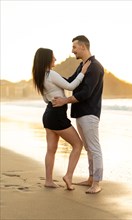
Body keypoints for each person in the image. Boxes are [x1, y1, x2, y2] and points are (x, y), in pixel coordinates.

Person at [32, 47, 90, 190]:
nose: (55, 59)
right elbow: (70, 85)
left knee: (51, 149)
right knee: (78, 145)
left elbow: (47, 99)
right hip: (57, 116)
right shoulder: (50, 74)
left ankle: (49, 181)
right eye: (53, 56)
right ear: (47, 59)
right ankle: (68, 176)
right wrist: (82, 72)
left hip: (48, 115)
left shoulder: (40, 77)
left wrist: (55, 98)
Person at [52, 35, 104, 194]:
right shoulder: (83, 65)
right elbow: (69, 81)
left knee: (94, 148)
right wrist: (49, 74)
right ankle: (90, 178)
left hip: (89, 113)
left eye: (74, 47)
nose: (72, 50)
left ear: (83, 47)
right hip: (81, 113)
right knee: (88, 147)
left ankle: (97, 182)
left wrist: (64, 101)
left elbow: (86, 93)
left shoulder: (94, 67)